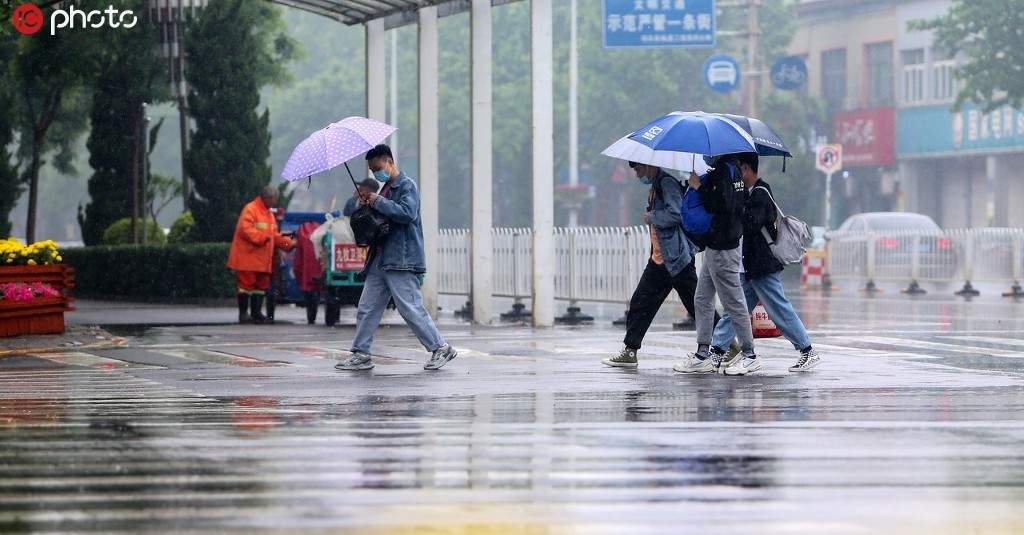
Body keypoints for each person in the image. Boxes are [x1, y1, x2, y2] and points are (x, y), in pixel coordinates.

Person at [336, 144, 457, 371]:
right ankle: (361, 353)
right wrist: (367, 205)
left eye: (378, 167)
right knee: (367, 307)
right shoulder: (384, 190)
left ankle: (440, 347)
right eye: (372, 170)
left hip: (401, 259)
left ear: (390, 161)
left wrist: (378, 202)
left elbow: (407, 213)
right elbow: (381, 222)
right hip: (380, 259)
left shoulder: (406, 186)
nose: (376, 173)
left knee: (410, 307)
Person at [602, 161, 724, 368]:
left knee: (698, 306)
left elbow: (676, 213)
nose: (638, 174)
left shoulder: (667, 182)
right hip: (660, 259)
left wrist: (652, 216)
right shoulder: (657, 185)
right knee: (641, 303)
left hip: (675, 258)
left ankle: (728, 346)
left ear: (648, 166)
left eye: (639, 169)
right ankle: (630, 351)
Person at [710, 153, 821, 372]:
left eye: (738, 169)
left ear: (746, 169)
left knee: (778, 309)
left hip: (761, 265)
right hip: (748, 266)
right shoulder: (748, 193)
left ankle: (807, 350)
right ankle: (716, 351)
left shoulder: (761, 192)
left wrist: (738, 202)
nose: (736, 175)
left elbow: (752, 223)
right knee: (735, 310)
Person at [674, 153, 760, 376]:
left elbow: (722, 205)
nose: (707, 155)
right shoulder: (732, 171)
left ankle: (750, 355)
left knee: (734, 303)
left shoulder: (725, 172)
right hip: (718, 245)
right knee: (701, 299)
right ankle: (703, 353)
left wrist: (698, 188)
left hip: (723, 247)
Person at [227, 186, 295, 324]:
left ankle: (256, 313)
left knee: (260, 288)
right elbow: (245, 230)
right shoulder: (250, 209)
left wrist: (289, 244)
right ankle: (243, 314)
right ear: (268, 198)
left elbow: (274, 235)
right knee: (245, 287)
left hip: (261, 261)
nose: (275, 202)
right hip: (248, 258)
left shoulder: (268, 213)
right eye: (274, 199)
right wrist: (264, 237)